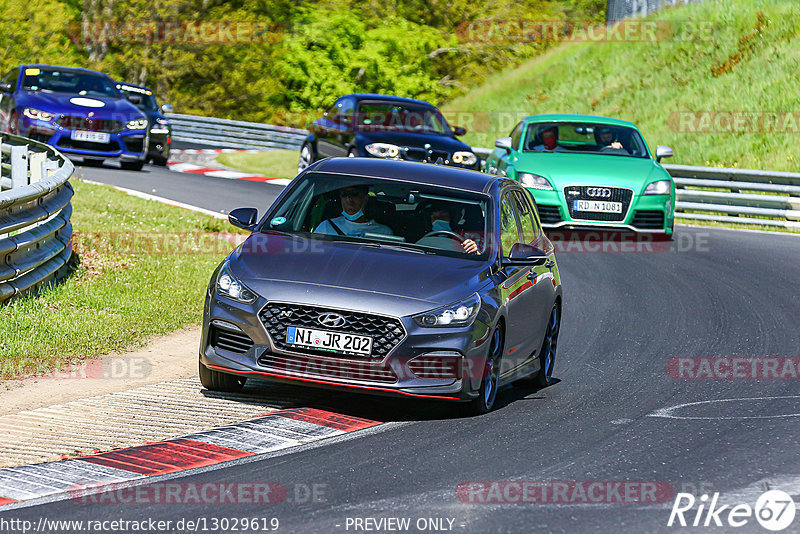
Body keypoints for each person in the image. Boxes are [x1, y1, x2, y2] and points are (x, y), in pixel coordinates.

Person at [314, 185, 393, 237]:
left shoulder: (383, 232)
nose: (349, 200)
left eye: (354, 194)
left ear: (365, 198)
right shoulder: (325, 227)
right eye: (344, 195)